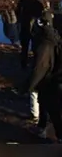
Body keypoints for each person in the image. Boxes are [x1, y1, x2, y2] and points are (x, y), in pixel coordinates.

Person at [24, 11, 62, 142]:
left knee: (52, 108)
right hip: (55, 78)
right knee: (49, 106)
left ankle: (53, 133)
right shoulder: (56, 37)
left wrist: (29, 85)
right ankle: (42, 127)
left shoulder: (44, 43)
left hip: (49, 80)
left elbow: (40, 67)